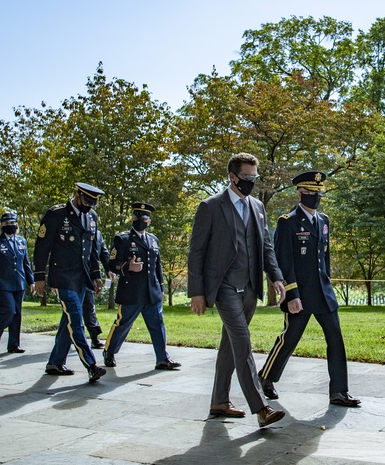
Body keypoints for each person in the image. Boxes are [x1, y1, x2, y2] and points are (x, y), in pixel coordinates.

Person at [188, 152, 287, 427]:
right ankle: (261, 408)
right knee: (242, 343)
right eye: (248, 177)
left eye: (255, 177)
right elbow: (196, 251)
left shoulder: (257, 207)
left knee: (229, 347)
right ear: (233, 177)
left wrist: (276, 277)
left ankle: (219, 400)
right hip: (224, 288)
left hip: (250, 288)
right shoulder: (210, 207)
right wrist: (196, 292)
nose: (252, 182)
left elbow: (266, 246)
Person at [260, 171, 360, 407]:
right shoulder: (287, 222)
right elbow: (284, 261)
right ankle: (265, 377)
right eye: (309, 192)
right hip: (299, 294)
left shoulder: (323, 221)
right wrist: (291, 294)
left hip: (323, 293)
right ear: (299, 193)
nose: (314, 196)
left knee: (336, 339)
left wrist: (328, 284)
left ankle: (339, 391)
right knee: (290, 338)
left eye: (317, 193)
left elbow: (324, 259)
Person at [33, 182, 107, 382]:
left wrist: (96, 274)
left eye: (93, 203)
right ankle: (91, 365)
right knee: (76, 320)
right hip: (63, 277)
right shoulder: (56, 214)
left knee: (68, 320)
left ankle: (55, 362)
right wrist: (39, 277)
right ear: (77, 195)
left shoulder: (92, 217)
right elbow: (42, 248)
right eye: (87, 201)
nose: (89, 206)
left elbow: (91, 249)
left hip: (81, 277)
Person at [103, 202, 181, 370]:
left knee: (157, 325)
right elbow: (112, 264)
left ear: (149, 221)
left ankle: (162, 358)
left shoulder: (153, 240)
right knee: (123, 324)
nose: (141, 220)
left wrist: (160, 288)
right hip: (131, 292)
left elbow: (157, 266)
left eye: (144, 218)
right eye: (138, 216)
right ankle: (109, 351)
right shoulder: (122, 239)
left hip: (151, 292)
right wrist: (127, 267)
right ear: (132, 218)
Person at [0, 211, 34, 353]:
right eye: (7, 224)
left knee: (17, 314)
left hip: (19, 283)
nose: (10, 226)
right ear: (1, 225)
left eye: (13, 223)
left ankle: (14, 344)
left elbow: (25, 263)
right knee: (9, 311)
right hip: (2, 284)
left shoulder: (21, 241)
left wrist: (31, 281)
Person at [82, 234, 112, 349]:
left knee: (89, 307)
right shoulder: (80, 229)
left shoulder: (98, 235)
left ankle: (94, 338)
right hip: (77, 275)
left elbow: (103, 253)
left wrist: (109, 269)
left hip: (90, 277)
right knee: (73, 309)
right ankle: (67, 338)